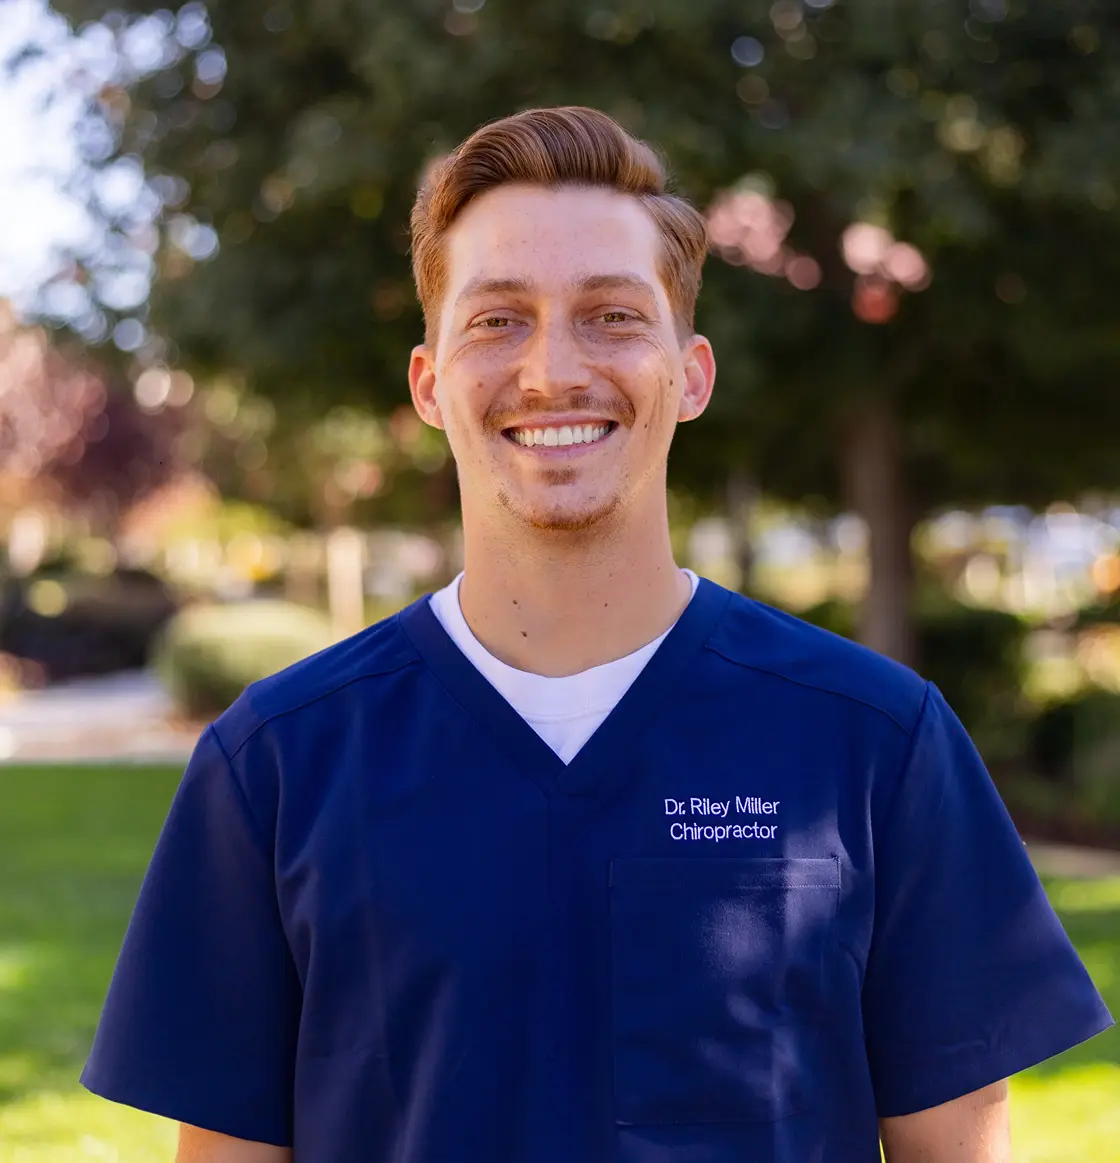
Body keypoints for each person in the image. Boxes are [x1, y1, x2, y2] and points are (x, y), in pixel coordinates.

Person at [82, 107, 1112, 1163]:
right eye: (497, 319)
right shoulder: (278, 764)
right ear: (430, 386)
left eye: (612, 315)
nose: (551, 370)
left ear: (691, 372)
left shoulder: (876, 742)